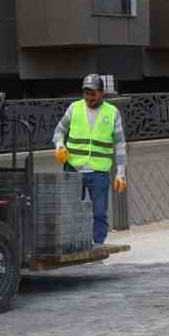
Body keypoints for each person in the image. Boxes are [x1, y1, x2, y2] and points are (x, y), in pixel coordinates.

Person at [53, 75, 126, 246]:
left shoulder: (112, 113)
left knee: (100, 213)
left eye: (92, 93)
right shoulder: (74, 108)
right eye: (86, 93)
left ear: (102, 93)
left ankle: (98, 247)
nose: (88, 98)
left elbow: (120, 145)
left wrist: (121, 173)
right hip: (73, 169)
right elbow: (58, 131)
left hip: (99, 172)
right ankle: (73, 246)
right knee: (70, 211)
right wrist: (59, 146)